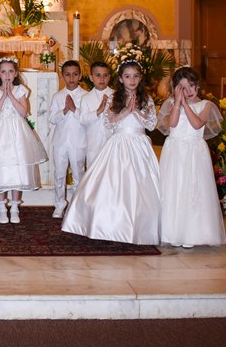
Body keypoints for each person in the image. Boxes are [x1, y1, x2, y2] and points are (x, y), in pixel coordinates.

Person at [61, 59, 160, 245]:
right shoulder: (114, 98)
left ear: (140, 78)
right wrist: (126, 111)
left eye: (135, 76)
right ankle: (111, 226)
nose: (132, 80)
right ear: (121, 79)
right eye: (127, 76)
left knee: (139, 187)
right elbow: (109, 122)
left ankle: (140, 227)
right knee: (114, 185)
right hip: (119, 143)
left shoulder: (146, 99)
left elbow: (152, 124)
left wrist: (136, 111)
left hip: (140, 144)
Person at [157, 67, 226, 248]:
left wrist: (185, 105)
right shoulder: (171, 103)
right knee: (174, 188)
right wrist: (177, 103)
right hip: (174, 150)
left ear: (197, 85)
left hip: (194, 151)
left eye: (191, 86)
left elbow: (197, 124)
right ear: (176, 89)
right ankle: (172, 232)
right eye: (183, 88)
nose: (188, 91)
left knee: (193, 188)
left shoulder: (206, 104)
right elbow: (172, 124)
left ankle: (192, 234)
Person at [0, 57, 48, 225]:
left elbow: (23, 112)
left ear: (15, 74)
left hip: (17, 133)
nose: (7, 75)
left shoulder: (21, 90)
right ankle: (1, 207)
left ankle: (14, 207)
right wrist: (3, 96)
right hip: (0, 133)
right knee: (0, 168)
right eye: (3, 72)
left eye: (10, 71)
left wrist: (11, 95)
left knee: (17, 167)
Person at [48, 60, 87, 219]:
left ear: (80, 75)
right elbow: (52, 118)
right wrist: (64, 110)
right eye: (68, 75)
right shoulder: (58, 96)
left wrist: (74, 109)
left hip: (78, 141)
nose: (71, 78)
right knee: (59, 174)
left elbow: (87, 119)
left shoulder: (86, 96)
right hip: (60, 141)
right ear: (62, 76)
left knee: (79, 174)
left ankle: (77, 205)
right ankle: (59, 204)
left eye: (75, 74)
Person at [79, 60, 113, 168]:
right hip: (93, 144)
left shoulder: (116, 95)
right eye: (98, 75)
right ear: (91, 77)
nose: (102, 79)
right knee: (93, 172)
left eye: (105, 75)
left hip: (112, 143)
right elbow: (82, 120)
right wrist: (98, 111)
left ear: (109, 77)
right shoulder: (86, 98)